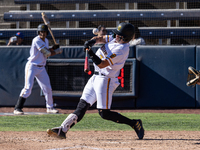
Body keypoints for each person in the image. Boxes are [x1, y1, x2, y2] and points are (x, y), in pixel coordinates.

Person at [47, 22, 145, 139]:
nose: (115, 36)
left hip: (106, 80)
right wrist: (92, 42)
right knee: (82, 105)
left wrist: (91, 52)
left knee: (104, 113)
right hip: (95, 77)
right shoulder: (115, 39)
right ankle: (62, 130)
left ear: (125, 37)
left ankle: (134, 123)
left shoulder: (122, 49)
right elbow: (101, 38)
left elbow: (103, 64)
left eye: (119, 35)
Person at [13, 24, 63, 115]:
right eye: (41, 32)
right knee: (28, 88)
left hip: (41, 67)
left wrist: (54, 48)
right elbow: (47, 54)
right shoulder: (36, 40)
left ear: (46, 33)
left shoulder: (46, 40)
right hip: (32, 66)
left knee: (47, 88)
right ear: (38, 32)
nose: (42, 34)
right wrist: (57, 52)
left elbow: (47, 50)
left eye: (44, 32)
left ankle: (50, 107)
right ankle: (17, 108)